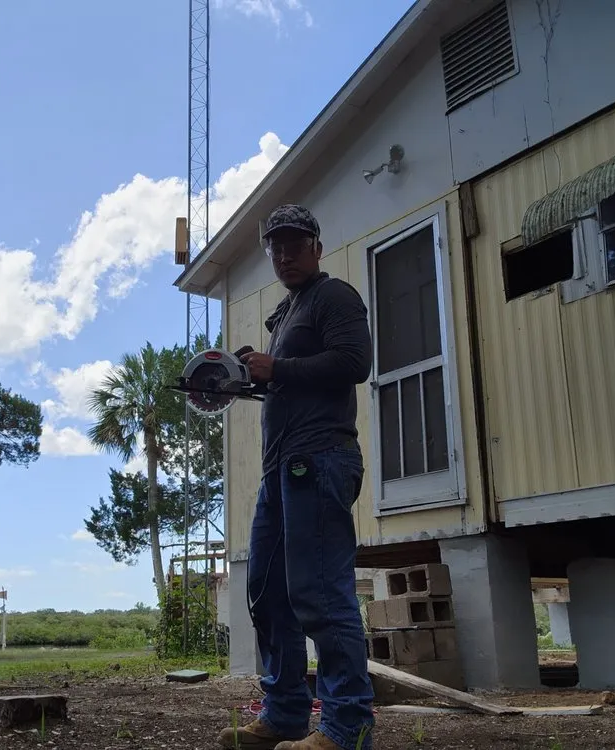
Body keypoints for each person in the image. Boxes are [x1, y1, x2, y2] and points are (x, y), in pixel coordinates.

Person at [216, 204, 375, 750]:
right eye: (274, 247)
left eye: (294, 244)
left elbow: (355, 362)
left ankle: (346, 728)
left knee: (320, 595)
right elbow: (285, 382)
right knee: (267, 592)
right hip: (279, 468)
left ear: (316, 246)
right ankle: (284, 716)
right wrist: (237, 381)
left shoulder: (334, 297)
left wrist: (277, 368)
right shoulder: (286, 313)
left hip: (322, 457)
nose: (283, 255)